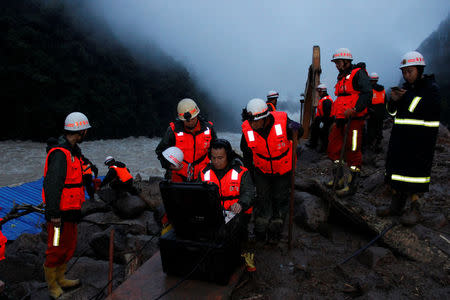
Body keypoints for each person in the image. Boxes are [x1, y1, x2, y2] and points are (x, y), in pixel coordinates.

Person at [377, 51, 441, 225]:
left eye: (410, 71)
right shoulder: (407, 89)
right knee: (397, 173)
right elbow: (392, 113)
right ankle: (396, 206)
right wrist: (394, 100)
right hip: (401, 138)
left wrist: (406, 97)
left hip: (420, 140)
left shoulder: (431, 88)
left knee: (415, 175)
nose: (406, 75)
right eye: (404, 72)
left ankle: (415, 208)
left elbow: (424, 108)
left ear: (419, 70)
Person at [241, 98, 302, 244]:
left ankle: (275, 230)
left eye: (255, 121)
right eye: (250, 121)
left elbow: (300, 132)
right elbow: (247, 153)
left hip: (283, 169)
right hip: (262, 170)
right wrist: (250, 175)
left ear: (265, 118)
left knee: (280, 199)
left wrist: (297, 129)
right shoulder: (247, 128)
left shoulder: (282, 121)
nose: (253, 124)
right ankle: (261, 230)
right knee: (262, 199)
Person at [42, 112, 90, 299]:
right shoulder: (60, 154)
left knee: (68, 245)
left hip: (71, 212)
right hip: (59, 215)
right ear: (79, 131)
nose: (86, 133)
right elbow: (52, 184)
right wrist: (54, 213)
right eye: (85, 130)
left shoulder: (73, 151)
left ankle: (61, 277)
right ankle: (52, 284)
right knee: (55, 247)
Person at [199, 139, 255, 271]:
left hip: (238, 213)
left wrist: (241, 204)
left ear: (228, 156)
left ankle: (245, 254)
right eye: (213, 158)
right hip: (214, 213)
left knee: (234, 230)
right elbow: (198, 195)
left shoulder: (242, 172)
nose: (216, 161)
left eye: (220, 158)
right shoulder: (203, 173)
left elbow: (249, 193)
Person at [327, 48, 372, 197]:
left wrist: (355, 109)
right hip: (340, 119)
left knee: (353, 151)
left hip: (353, 120)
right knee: (334, 149)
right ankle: (338, 179)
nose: (336, 65)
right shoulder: (342, 76)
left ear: (347, 61)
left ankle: (352, 185)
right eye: (336, 63)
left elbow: (367, 93)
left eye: (338, 62)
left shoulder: (358, 73)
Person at [155, 98, 217, 182]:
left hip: (202, 176)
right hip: (178, 175)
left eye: (193, 119)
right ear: (181, 119)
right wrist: (168, 165)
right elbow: (160, 151)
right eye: (187, 121)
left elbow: (218, 151)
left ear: (197, 115)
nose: (190, 122)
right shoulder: (173, 131)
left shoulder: (208, 129)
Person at [306, 83, 334, 152]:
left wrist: (323, 122)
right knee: (314, 128)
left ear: (322, 91)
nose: (318, 93)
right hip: (321, 119)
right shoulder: (323, 99)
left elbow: (327, 114)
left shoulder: (327, 101)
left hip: (327, 120)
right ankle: (313, 144)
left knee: (324, 133)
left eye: (319, 92)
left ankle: (323, 149)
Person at [366, 72, 387, 153]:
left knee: (371, 130)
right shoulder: (382, 90)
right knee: (379, 130)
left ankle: (371, 147)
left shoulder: (370, 90)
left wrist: (367, 113)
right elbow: (385, 101)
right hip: (380, 113)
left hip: (372, 113)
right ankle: (378, 145)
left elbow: (367, 102)